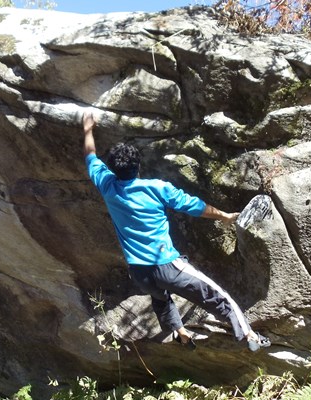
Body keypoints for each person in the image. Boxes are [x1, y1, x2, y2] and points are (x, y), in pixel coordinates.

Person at [82, 111, 270, 351]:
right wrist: (224, 215)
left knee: (160, 297)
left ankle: (180, 333)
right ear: (138, 166)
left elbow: (90, 156)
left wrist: (87, 129)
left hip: (139, 272)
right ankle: (249, 336)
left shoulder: (107, 185)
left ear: (112, 169)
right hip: (167, 266)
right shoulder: (156, 188)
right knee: (218, 295)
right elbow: (194, 206)